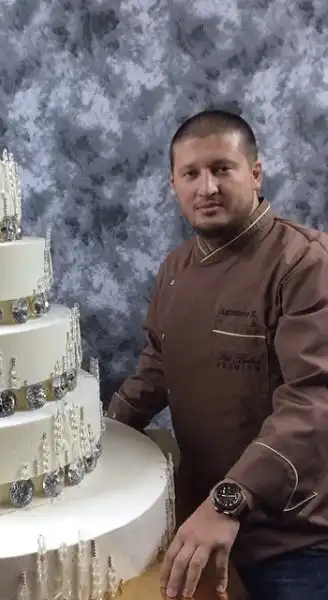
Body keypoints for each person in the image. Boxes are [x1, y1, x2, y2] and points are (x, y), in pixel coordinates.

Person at [107, 109, 328, 600]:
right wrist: (101, 436)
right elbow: (157, 368)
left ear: (255, 173)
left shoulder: (305, 262)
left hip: (293, 536)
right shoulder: (175, 268)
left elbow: (314, 401)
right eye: (191, 174)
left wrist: (229, 500)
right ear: (174, 185)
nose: (206, 187)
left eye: (221, 169)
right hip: (199, 519)